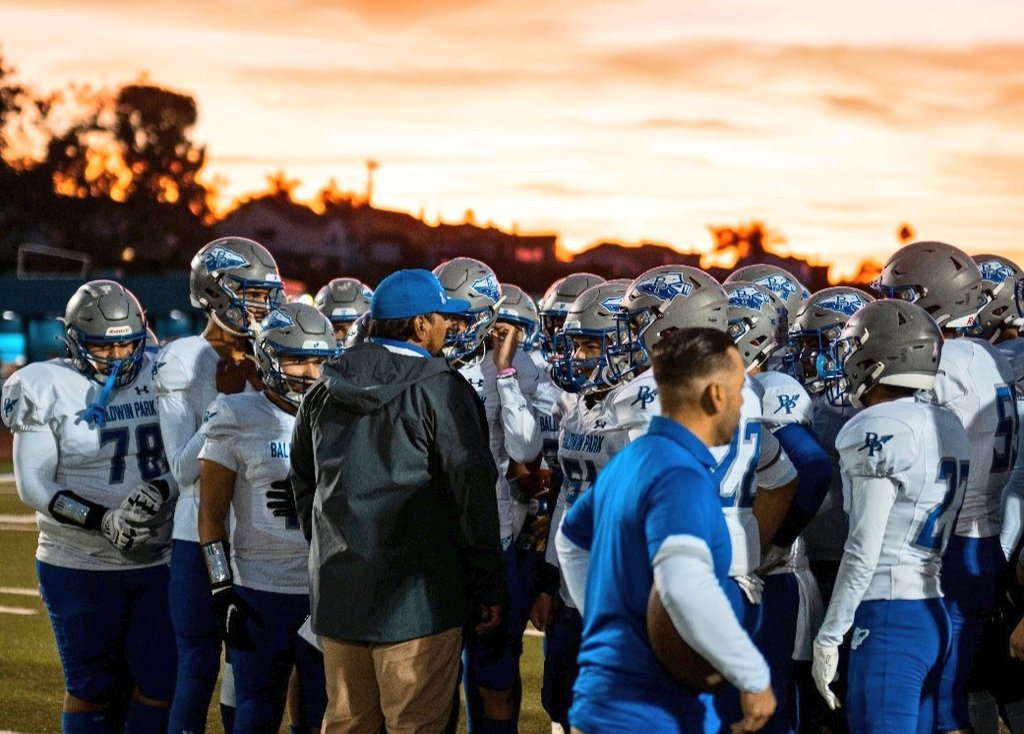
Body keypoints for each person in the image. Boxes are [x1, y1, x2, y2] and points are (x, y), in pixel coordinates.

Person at [289, 268, 506, 734]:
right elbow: (471, 493)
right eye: (442, 318)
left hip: (340, 594)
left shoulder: (324, 388)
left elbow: (304, 484)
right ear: (421, 324)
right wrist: (487, 582)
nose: (449, 328)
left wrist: (334, 549)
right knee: (416, 725)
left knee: (347, 725)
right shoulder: (442, 388)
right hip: (418, 602)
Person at [554, 327, 776, 733]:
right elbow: (683, 584)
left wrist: (612, 623)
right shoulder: (679, 474)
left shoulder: (634, 457)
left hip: (603, 701)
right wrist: (752, 676)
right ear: (716, 395)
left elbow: (569, 539)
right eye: (739, 388)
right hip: (650, 711)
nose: (744, 400)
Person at [2, 280, 177, 733]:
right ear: (75, 341)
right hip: (78, 561)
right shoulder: (45, 385)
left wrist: (165, 488)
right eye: (103, 347)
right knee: (91, 685)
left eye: (127, 346)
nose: (118, 357)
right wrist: (103, 520)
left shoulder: (166, 371)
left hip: (159, 558)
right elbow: (34, 485)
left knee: (161, 680)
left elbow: (196, 452)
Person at [875, 241, 1018, 734]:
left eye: (901, 296)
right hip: (984, 537)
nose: (892, 308)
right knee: (951, 691)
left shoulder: (944, 362)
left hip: (949, 544)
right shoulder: (987, 355)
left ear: (935, 298)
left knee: (932, 699)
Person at [812, 299, 970, 733]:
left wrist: (830, 634)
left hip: (889, 618)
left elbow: (864, 548)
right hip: (932, 610)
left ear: (878, 358)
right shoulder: (947, 423)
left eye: (853, 349)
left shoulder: (876, 426)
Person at [155, 235, 285, 734]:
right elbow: (182, 469)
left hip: (258, 536)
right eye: (251, 294)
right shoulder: (183, 359)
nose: (262, 305)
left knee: (248, 672)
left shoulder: (272, 352)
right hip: (199, 535)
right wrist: (223, 405)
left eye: (266, 294)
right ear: (215, 292)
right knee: (198, 667)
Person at [197, 303, 337, 733]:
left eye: (319, 361)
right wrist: (221, 588)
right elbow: (211, 514)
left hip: (327, 589)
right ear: (269, 358)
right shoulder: (237, 415)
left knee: (321, 712)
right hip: (261, 590)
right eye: (297, 359)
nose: (311, 373)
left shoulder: (340, 415)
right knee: (258, 708)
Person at [434, 256, 542, 734]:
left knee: (493, 675)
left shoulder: (515, 365)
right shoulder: (425, 359)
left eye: (464, 316)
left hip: (491, 536)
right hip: (435, 539)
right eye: (448, 316)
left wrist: (505, 373)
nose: (454, 327)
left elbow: (526, 450)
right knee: (433, 679)